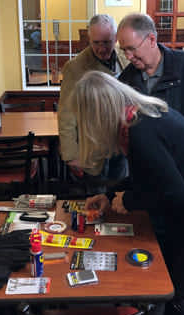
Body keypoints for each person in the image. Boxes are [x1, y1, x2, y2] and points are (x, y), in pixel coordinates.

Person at [70, 71, 184, 315]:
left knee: (177, 294)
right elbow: (150, 175)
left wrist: (128, 201)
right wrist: (109, 196)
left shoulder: (142, 131)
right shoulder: (138, 117)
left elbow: (173, 192)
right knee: (176, 281)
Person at [117, 13, 184, 150]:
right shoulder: (126, 80)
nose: (128, 56)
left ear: (151, 40)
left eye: (131, 49)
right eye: (124, 50)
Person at [58, 14, 129, 193]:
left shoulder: (126, 56)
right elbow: (66, 114)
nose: (101, 48)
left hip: (122, 146)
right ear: (89, 39)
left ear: (115, 39)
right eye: (96, 42)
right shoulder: (75, 67)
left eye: (106, 42)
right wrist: (71, 155)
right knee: (96, 203)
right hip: (93, 151)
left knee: (120, 198)